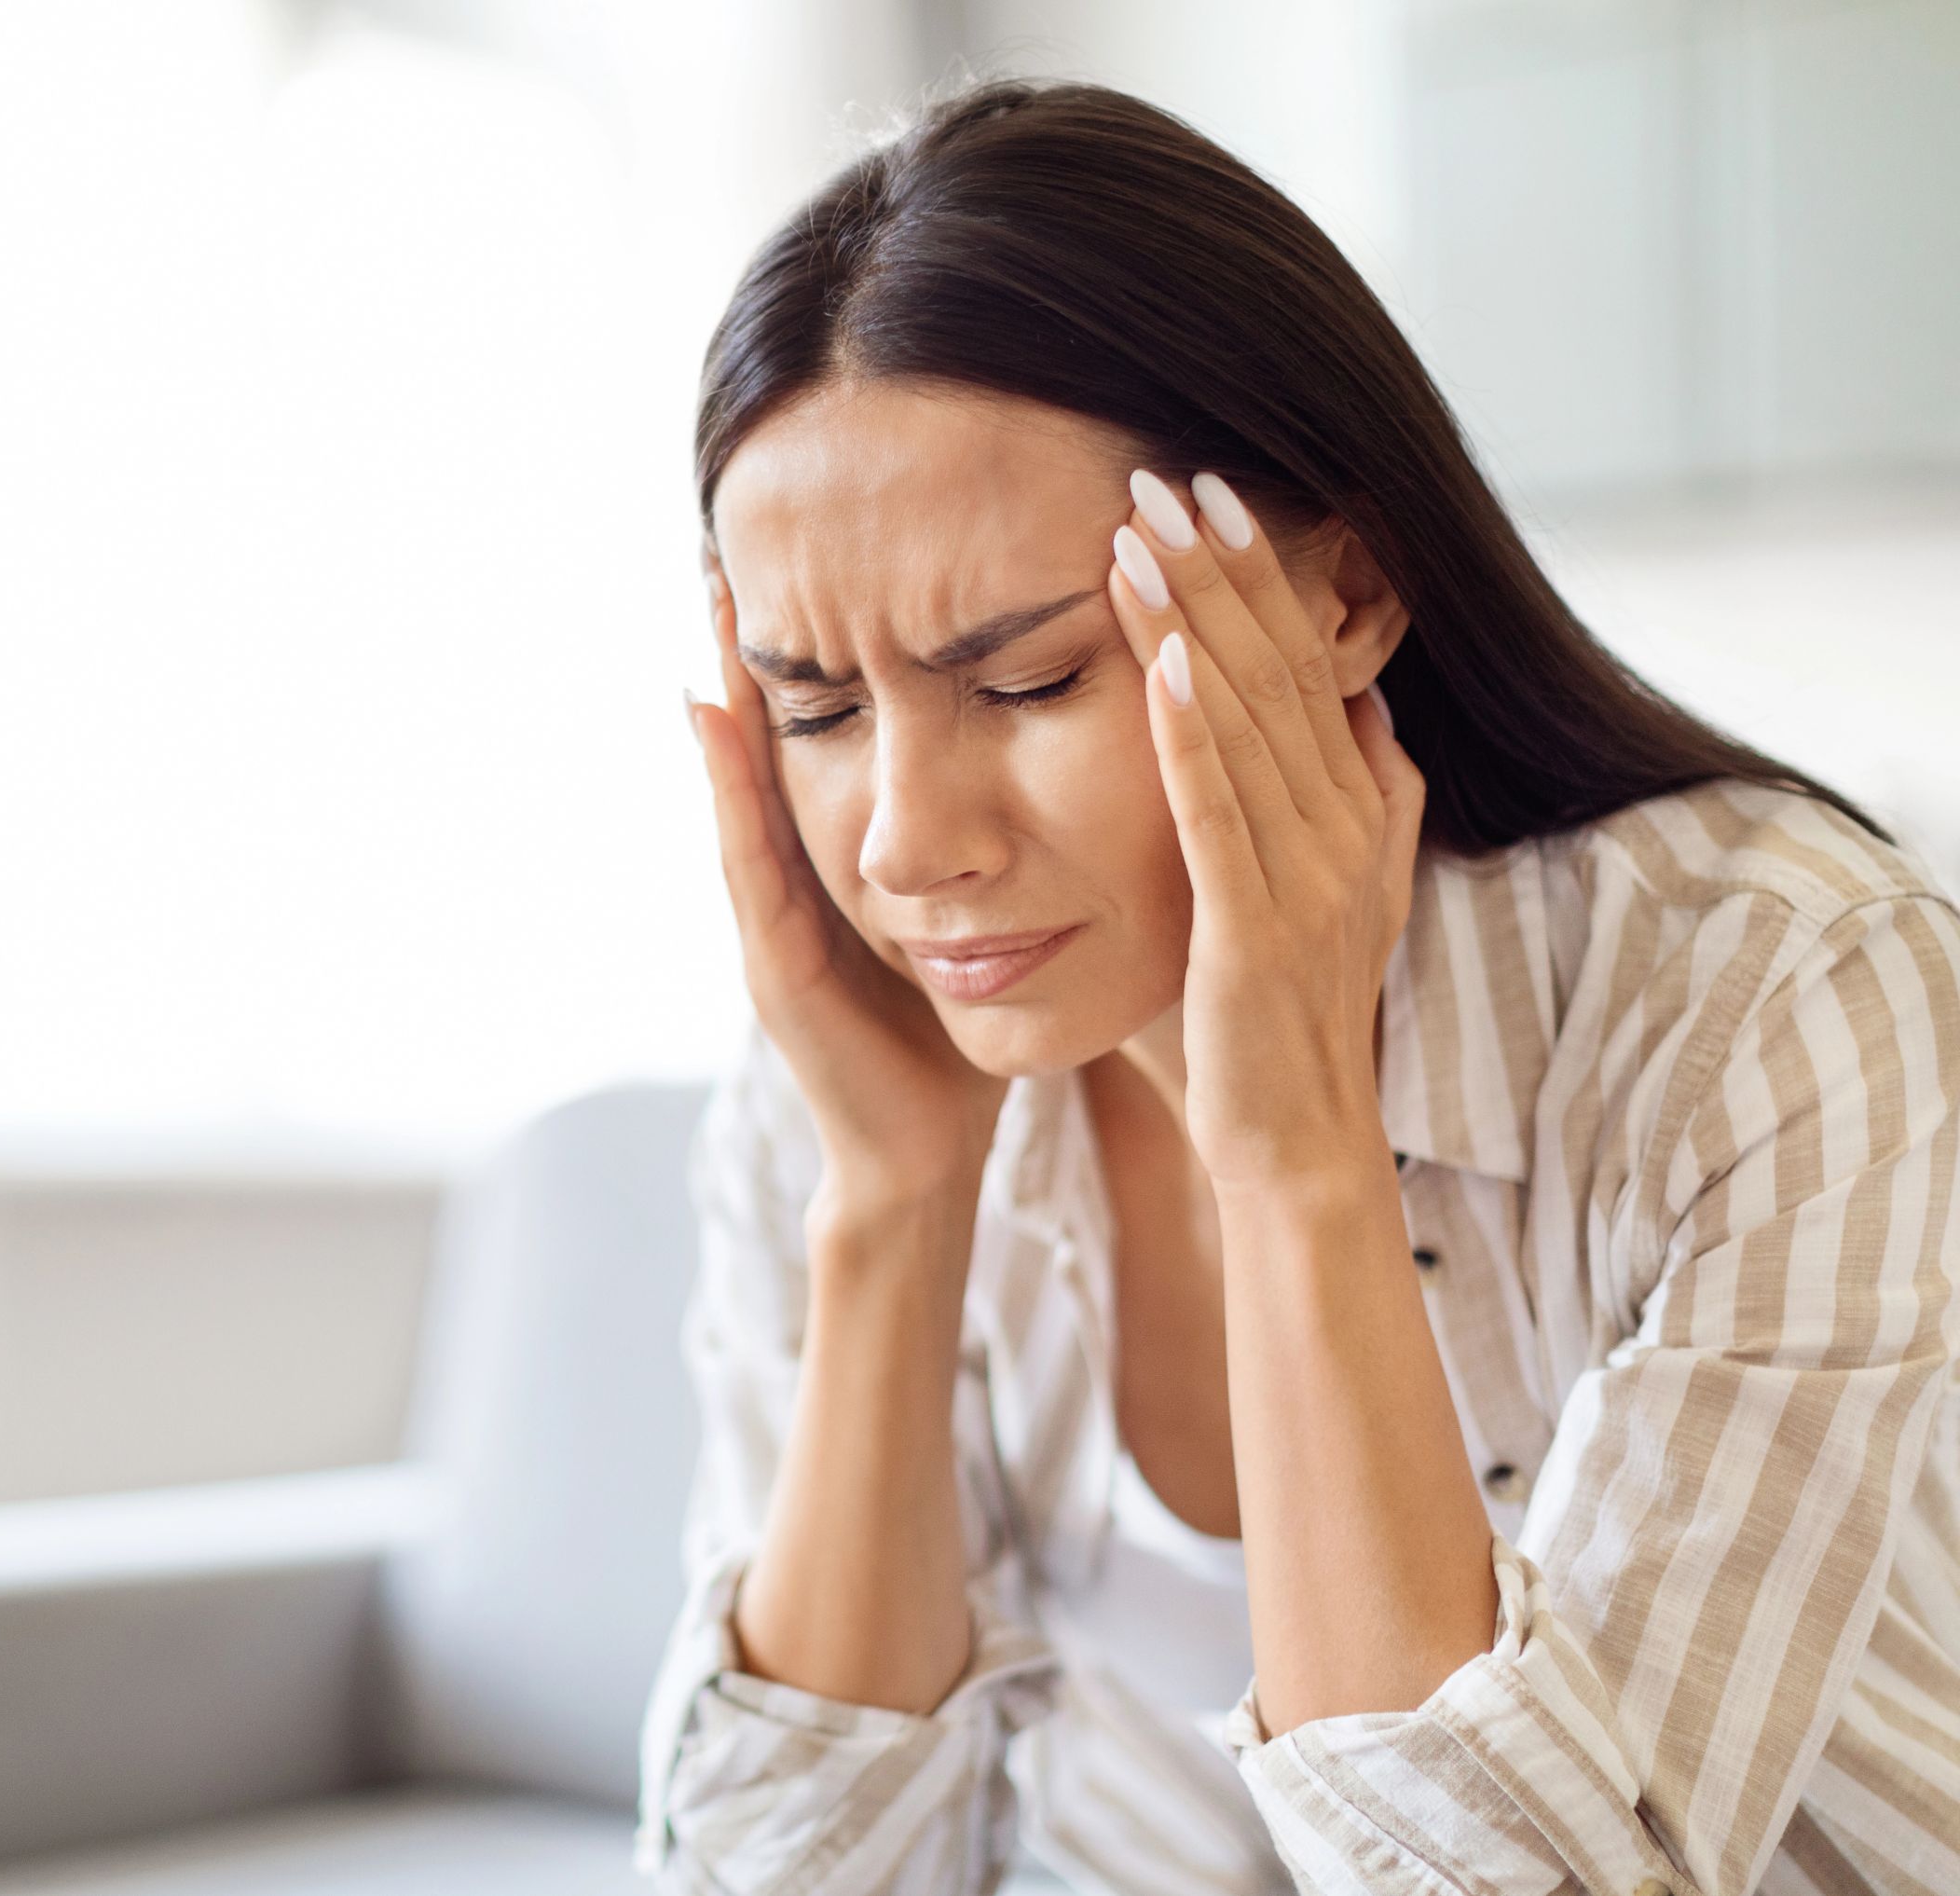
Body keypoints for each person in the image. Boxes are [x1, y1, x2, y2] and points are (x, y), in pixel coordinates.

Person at [636, 76, 1960, 1896]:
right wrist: (889, 1207)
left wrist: (1294, 1158)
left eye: (1024, 685)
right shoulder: (854, 1072)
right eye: (816, 710)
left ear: (1339, 593)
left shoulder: (1764, 991)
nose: (899, 843)